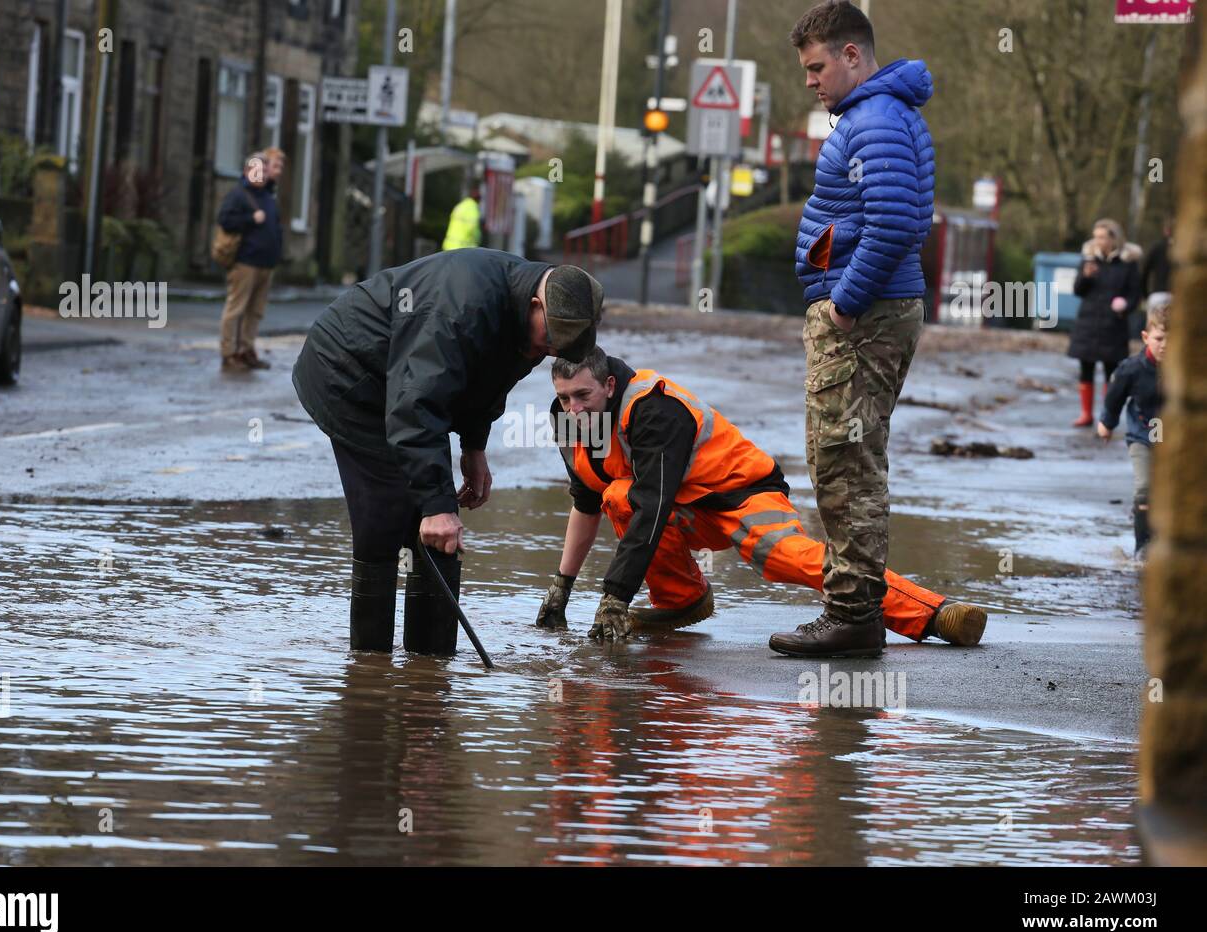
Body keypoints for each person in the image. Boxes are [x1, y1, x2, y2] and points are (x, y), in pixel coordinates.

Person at [535, 349, 987, 653]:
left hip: (744, 493)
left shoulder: (655, 408)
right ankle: (680, 600)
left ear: (610, 385)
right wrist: (561, 587)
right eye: (563, 398)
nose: (573, 409)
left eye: (582, 396)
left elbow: (652, 507)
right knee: (617, 496)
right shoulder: (570, 419)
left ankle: (935, 614)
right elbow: (587, 501)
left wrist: (615, 596)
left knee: (782, 556)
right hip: (686, 508)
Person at [292, 250, 602, 655]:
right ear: (535, 305)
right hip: (349, 374)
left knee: (437, 535)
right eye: (549, 341)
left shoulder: (533, 326)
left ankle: (430, 666)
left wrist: (474, 448)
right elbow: (415, 406)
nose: (548, 351)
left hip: (406, 385)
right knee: (390, 513)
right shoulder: (461, 309)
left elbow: (487, 382)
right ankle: (370, 666)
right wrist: (437, 506)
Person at [775, 1, 936, 657]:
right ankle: (850, 610)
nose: (811, 82)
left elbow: (897, 222)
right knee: (841, 458)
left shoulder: (874, 120)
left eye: (817, 68)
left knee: (846, 462)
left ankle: (852, 616)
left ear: (851, 55)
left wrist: (844, 302)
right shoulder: (875, 117)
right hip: (867, 312)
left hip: (865, 317)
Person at [1098, 294, 1168, 562]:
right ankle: (1142, 550)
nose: (1165, 346)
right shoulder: (1132, 369)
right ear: (1146, 336)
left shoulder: (1187, 369)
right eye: (1160, 338)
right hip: (1142, 437)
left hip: (1174, 442)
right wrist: (1107, 422)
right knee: (1145, 490)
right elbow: (1115, 396)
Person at [216, 148, 285, 372]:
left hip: (266, 263)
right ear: (247, 170)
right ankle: (229, 353)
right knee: (236, 309)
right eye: (257, 168)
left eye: (265, 169)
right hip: (246, 262)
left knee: (255, 312)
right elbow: (225, 220)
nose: (262, 173)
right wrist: (250, 219)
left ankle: (246, 351)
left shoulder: (267, 196)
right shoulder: (238, 195)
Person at [1069, 218, 1142, 426]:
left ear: (1114, 238)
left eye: (1102, 237)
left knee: (1112, 372)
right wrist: (1085, 276)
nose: (1097, 240)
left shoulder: (1128, 264)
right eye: (1096, 236)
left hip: (1114, 325)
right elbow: (1077, 290)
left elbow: (1135, 294)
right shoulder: (1088, 260)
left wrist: (1125, 306)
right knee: (1086, 369)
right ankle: (1086, 414)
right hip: (1088, 323)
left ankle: (1107, 415)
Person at [442, 184, 483, 251]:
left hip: (449, 244)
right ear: (478, 200)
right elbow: (472, 227)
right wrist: (478, 239)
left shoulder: (461, 205)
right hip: (462, 247)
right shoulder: (472, 208)